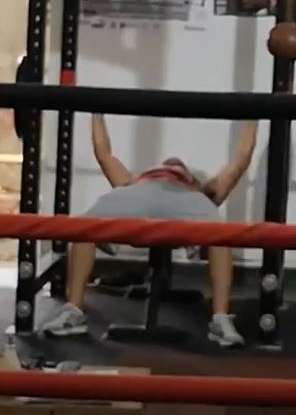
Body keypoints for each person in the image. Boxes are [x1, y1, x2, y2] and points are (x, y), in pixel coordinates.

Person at [42, 115, 258, 347]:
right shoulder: (133, 183)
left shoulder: (202, 190)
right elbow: (104, 155)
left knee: (221, 234)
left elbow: (240, 159)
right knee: (85, 225)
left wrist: (255, 113)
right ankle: (74, 311)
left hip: (184, 202)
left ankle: (220, 320)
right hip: (139, 200)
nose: (173, 161)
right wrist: (97, 112)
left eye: (179, 165)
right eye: (167, 163)